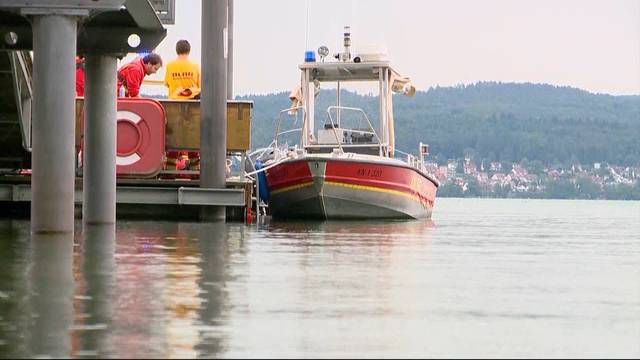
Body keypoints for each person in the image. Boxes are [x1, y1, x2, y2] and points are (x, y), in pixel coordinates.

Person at [164, 40, 202, 174]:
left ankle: (169, 174)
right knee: (192, 139)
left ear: (176, 50)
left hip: (173, 107)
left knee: (173, 140)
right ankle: (195, 174)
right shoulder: (195, 66)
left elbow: (167, 84)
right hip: (191, 108)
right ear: (189, 50)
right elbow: (199, 87)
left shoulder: (170, 66)